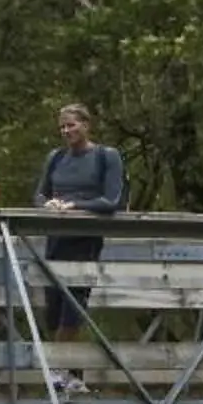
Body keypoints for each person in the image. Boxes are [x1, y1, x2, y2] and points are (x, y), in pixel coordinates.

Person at [33, 102, 124, 336]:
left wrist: (76, 206)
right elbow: (40, 194)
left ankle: (62, 370)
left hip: (85, 240)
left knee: (73, 310)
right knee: (52, 311)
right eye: (62, 127)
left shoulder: (106, 156)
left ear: (85, 125)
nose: (66, 131)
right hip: (55, 238)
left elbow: (112, 201)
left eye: (71, 125)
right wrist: (47, 204)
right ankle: (66, 370)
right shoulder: (56, 157)